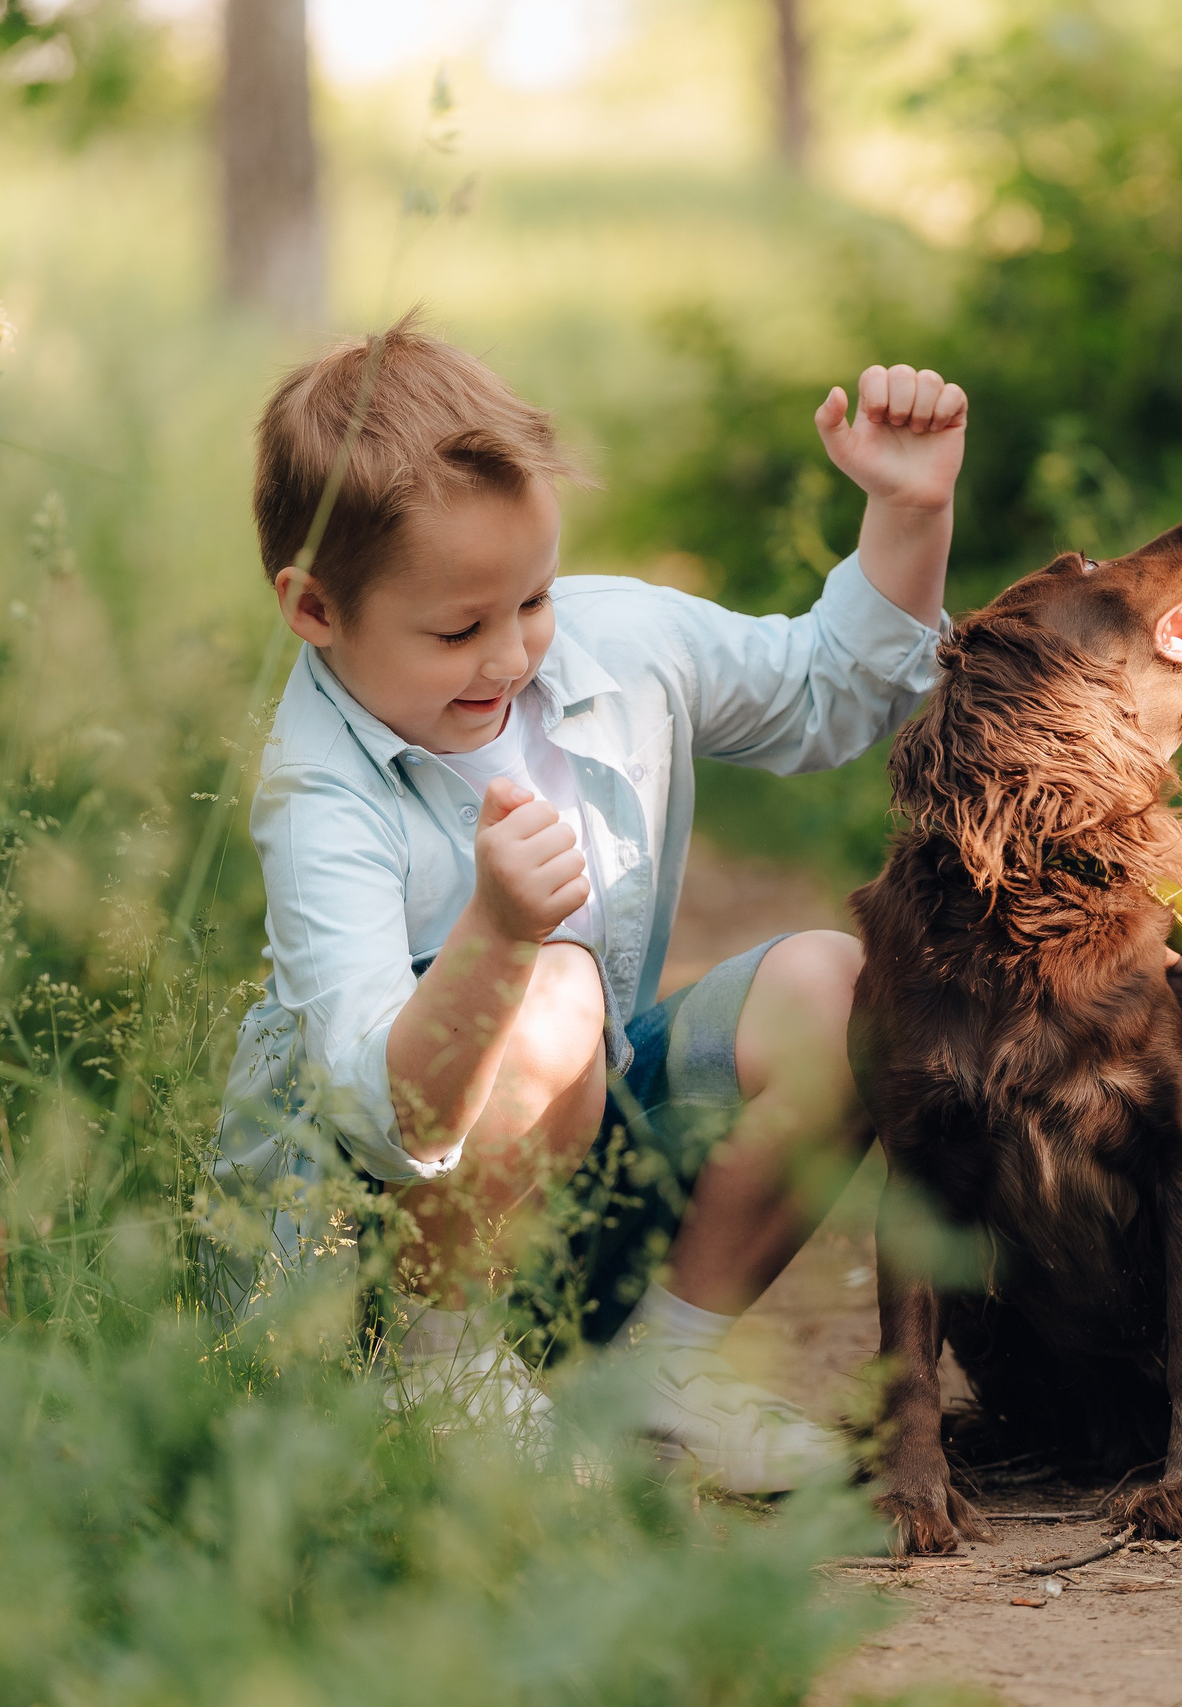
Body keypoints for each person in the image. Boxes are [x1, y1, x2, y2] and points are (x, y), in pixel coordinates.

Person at [208, 314, 967, 1484]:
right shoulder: (320, 792)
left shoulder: (613, 644)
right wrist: (498, 936)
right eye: (458, 628)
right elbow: (378, 1114)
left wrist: (907, 509)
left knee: (839, 986)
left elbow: (835, 689)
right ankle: (439, 1374)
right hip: (367, 1251)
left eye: (533, 600)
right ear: (314, 609)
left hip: (574, 1179)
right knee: (551, 988)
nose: (512, 656)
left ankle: (656, 1376)